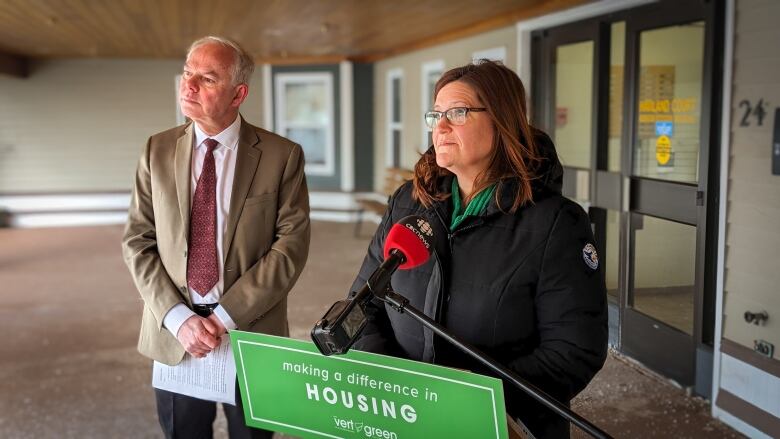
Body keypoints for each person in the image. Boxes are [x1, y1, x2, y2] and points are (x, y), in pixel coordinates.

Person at [349, 60, 607, 439]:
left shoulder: (557, 223)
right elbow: (363, 302)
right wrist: (395, 387)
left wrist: (469, 399)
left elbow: (573, 350)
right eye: (436, 114)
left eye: (458, 112)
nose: (441, 126)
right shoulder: (409, 202)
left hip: (504, 424)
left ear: (502, 120)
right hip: (404, 418)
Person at [122, 36, 310, 438]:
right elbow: (138, 241)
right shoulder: (156, 150)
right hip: (175, 335)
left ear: (238, 94)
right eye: (187, 73)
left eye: (207, 79)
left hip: (251, 330)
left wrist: (224, 318)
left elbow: (290, 247)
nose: (188, 86)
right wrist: (179, 319)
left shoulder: (281, 156)